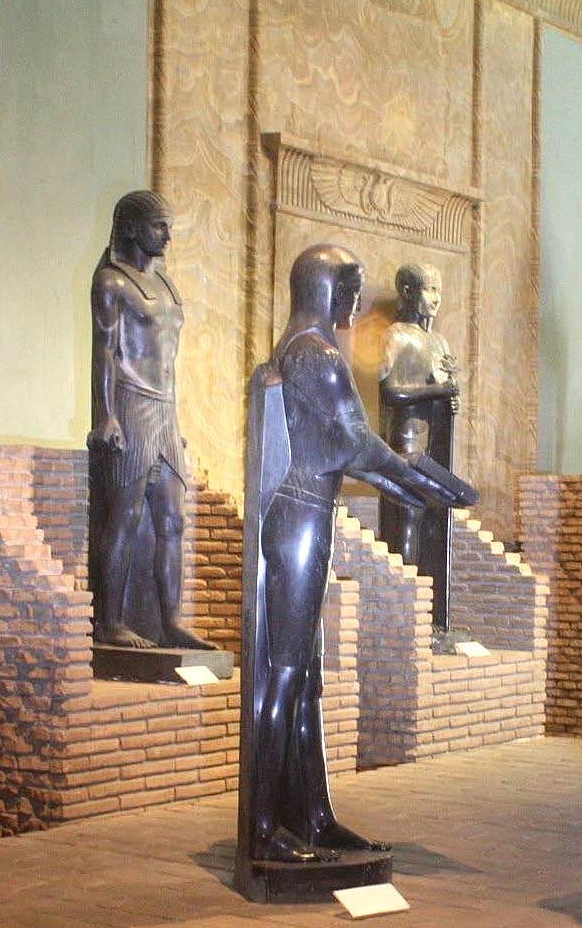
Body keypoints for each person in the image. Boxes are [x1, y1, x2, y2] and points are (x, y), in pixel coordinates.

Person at [239, 244, 473, 867]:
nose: (359, 301)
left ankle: (313, 816)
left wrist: (411, 486)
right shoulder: (314, 355)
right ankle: (263, 826)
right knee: (285, 673)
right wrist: (414, 476)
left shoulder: (307, 349)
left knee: (306, 678)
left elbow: (346, 450)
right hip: (299, 514)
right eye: (351, 286)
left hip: (310, 510)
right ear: (324, 288)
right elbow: (352, 443)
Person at [87, 190, 214, 651]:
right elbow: (105, 351)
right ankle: (110, 622)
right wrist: (106, 415)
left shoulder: (165, 284)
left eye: (168, 226)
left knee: (173, 520)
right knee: (124, 515)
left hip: (165, 410)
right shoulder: (112, 282)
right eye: (159, 226)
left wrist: (175, 420)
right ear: (132, 227)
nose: (167, 236)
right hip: (131, 404)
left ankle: (171, 621)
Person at [379, 263, 460, 565]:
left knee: (433, 518)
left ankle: (426, 589)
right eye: (429, 289)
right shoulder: (396, 336)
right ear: (408, 291)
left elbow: (444, 389)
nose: (436, 298)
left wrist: (450, 400)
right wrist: (438, 391)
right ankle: (407, 586)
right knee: (409, 513)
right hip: (407, 439)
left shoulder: (439, 342)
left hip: (434, 442)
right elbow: (390, 393)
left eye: (439, 290)